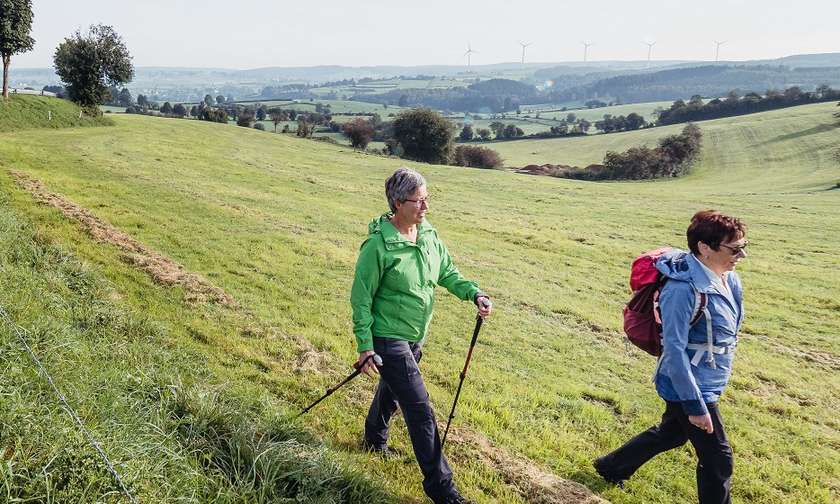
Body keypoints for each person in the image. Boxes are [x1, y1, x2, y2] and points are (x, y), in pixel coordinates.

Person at [351, 167, 492, 504]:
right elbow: (361, 297)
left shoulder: (427, 234)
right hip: (388, 337)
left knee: (393, 390)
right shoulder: (377, 247)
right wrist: (365, 345)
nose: (426, 207)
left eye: (427, 199)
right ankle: (442, 490)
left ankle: (373, 439)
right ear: (398, 203)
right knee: (420, 410)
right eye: (419, 201)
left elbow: (447, 272)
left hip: (416, 334)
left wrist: (474, 293)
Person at [594, 210, 748, 504]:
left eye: (744, 246)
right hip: (686, 383)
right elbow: (674, 350)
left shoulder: (731, 279)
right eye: (734, 248)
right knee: (718, 459)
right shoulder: (681, 290)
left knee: (672, 434)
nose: (741, 255)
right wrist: (694, 404)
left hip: (710, 377)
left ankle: (612, 466)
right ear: (704, 247)